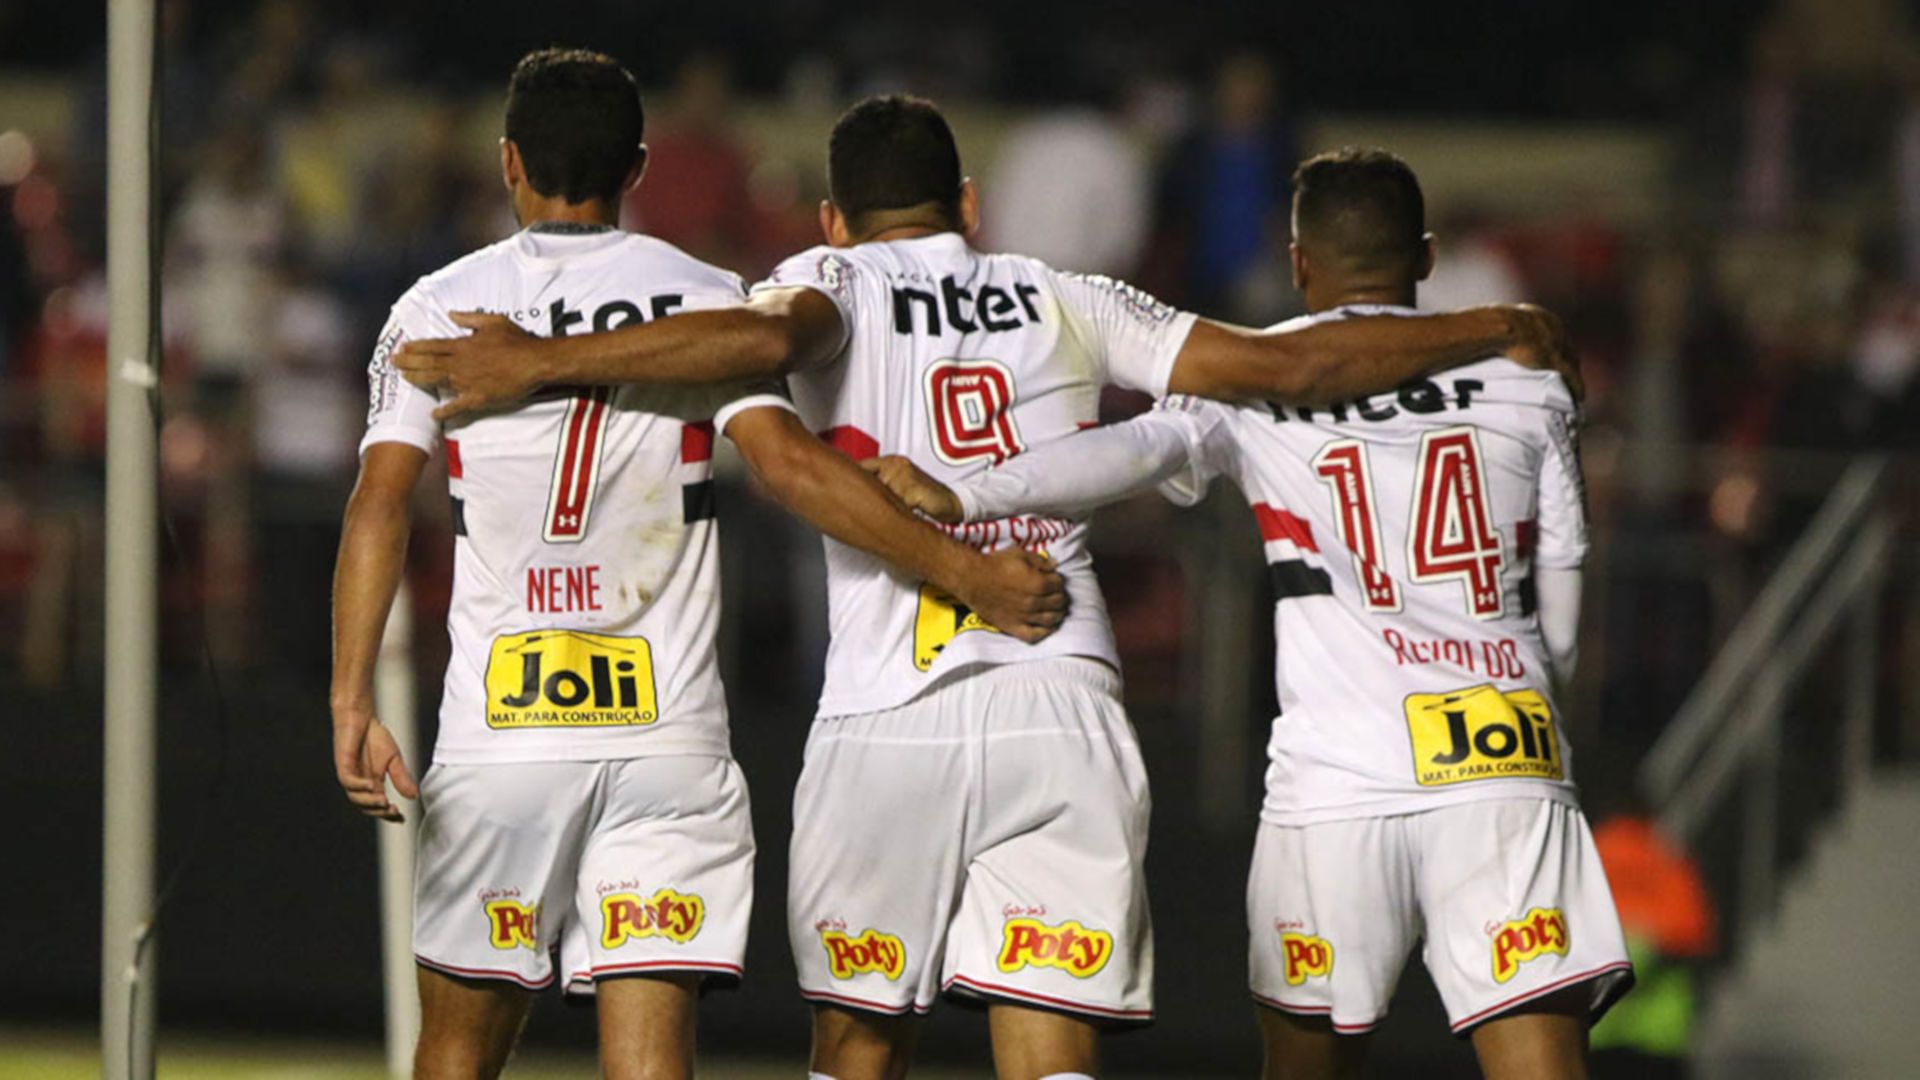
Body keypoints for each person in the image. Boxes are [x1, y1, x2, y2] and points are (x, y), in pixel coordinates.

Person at [393, 101, 1579, 1080]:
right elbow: (1290, 364)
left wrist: (538, 362)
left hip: (888, 710)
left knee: (857, 1044)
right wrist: (1493, 324)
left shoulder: (823, 286)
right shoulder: (1069, 293)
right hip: (1058, 688)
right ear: (970, 206)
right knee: (1050, 1050)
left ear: (832, 220)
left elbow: (746, 351)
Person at [331, 56, 1064, 1080]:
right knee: (651, 1061)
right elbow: (787, 467)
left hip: (502, 738)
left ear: (508, 163)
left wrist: (349, 695)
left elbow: (377, 506)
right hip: (665, 738)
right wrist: (962, 570)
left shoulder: (434, 309)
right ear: (636, 165)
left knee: (456, 1050)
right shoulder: (706, 298)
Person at [863, 148, 1632, 1080]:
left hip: (1335, 781)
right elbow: (1563, 584)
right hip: (1505, 763)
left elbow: (1128, 450)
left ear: (1299, 261)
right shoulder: (1531, 378)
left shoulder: (1258, 385)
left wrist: (967, 493)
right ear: (1425, 259)